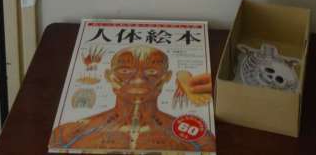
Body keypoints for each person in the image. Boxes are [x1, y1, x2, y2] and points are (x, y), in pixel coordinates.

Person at [50, 45, 216, 151]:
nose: (138, 79)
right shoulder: (67, 134)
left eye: (152, 71)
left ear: (166, 77)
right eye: (125, 71)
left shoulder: (200, 139)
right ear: (110, 76)